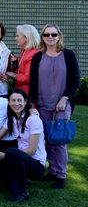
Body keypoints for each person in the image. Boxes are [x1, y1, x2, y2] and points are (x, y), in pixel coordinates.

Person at [29, 24, 80, 189]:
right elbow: (33, 83)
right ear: (42, 37)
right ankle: (52, 170)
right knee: (48, 139)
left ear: (59, 36)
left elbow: (75, 81)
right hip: (43, 104)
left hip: (62, 104)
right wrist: (32, 104)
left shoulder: (68, 55)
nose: (50, 37)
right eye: (46, 34)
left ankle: (61, 175)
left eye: (53, 34)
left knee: (59, 140)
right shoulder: (38, 57)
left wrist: (64, 99)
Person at [0, 90, 46, 202]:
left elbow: (32, 150)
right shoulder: (12, 119)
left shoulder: (33, 119)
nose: (16, 103)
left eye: (19, 100)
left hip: (36, 165)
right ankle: (19, 183)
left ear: (25, 102)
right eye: (13, 100)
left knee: (11, 151)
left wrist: (5, 155)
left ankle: (22, 193)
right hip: (20, 161)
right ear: (9, 103)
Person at [6, 24, 40, 95]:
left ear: (26, 38)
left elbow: (27, 78)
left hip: (27, 93)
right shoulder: (24, 50)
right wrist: (16, 62)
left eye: (17, 36)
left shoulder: (33, 54)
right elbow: (22, 69)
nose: (16, 38)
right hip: (20, 90)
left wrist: (13, 75)